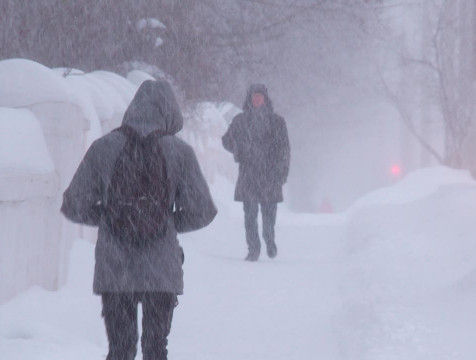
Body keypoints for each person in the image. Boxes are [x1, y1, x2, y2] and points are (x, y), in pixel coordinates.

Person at [61, 80, 217, 360]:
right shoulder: (179, 152)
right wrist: (166, 221)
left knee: (120, 350)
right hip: (161, 270)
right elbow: (203, 211)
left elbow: (73, 204)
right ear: (170, 113)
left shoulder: (103, 147)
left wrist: (110, 217)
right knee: (155, 350)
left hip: (115, 268)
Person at [222, 83, 290, 261]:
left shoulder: (277, 122)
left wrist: (282, 172)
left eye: (260, 96)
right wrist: (239, 149)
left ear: (265, 98)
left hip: (270, 175)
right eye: (254, 96)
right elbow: (226, 140)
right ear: (249, 99)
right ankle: (253, 248)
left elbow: (284, 150)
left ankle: (269, 239)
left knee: (269, 215)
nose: (257, 99)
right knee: (250, 215)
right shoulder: (240, 121)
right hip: (249, 175)